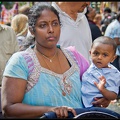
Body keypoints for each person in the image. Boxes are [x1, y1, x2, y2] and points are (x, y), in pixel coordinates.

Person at [1, 3, 119, 119]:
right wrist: (50, 110)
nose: (51, 30)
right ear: (32, 30)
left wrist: (102, 98)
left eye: (55, 24)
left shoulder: (74, 56)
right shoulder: (21, 61)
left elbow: (93, 85)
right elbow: (9, 108)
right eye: (43, 25)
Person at [81, 36, 120, 108]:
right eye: (96, 53)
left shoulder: (113, 74)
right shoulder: (92, 65)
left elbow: (113, 96)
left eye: (105, 55)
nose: (99, 57)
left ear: (113, 58)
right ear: (90, 53)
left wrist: (102, 89)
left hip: (95, 106)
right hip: (81, 103)